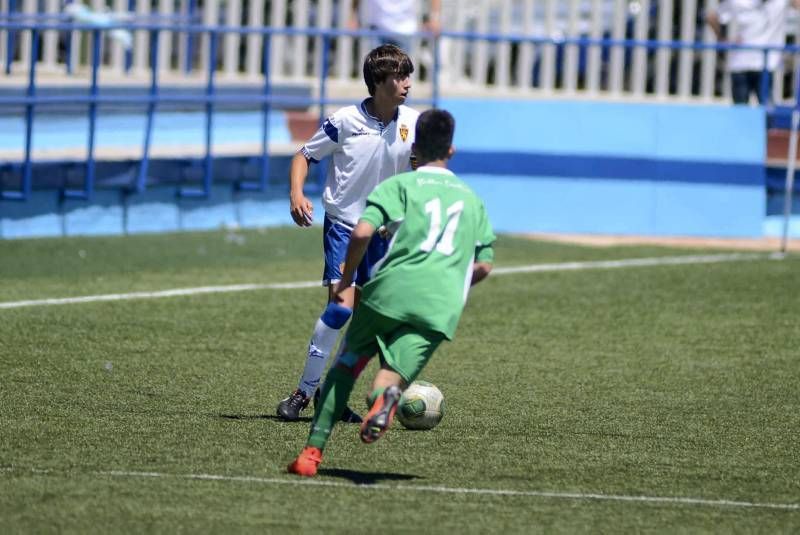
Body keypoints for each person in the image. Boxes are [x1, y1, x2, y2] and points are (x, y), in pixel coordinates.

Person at [288, 109, 496, 477]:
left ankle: (311, 455)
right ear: (451, 151)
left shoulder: (398, 186)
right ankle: (383, 398)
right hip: (440, 309)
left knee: (346, 367)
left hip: (390, 292)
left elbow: (363, 233)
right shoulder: (472, 200)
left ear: (415, 147)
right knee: (392, 374)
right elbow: (483, 266)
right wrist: (452, 286)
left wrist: (347, 276)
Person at [276, 44, 420, 422]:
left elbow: (423, 170)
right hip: (344, 226)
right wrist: (296, 194)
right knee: (339, 310)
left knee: (370, 324)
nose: (407, 83)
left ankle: (333, 397)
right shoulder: (345, 120)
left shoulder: (414, 123)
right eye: (400, 76)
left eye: (409, 75)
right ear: (378, 81)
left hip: (385, 234)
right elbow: (303, 155)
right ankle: (303, 393)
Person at [706, 0, 800, 105]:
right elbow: (712, 17)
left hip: (764, 65)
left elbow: (797, 5)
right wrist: (723, 39)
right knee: (745, 112)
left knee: (765, 111)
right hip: (742, 64)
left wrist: (721, 39)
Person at [350, 0, 442, 50]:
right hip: (377, 28)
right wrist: (353, 16)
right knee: (377, 77)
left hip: (405, 30)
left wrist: (435, 18)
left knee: (401, 77)